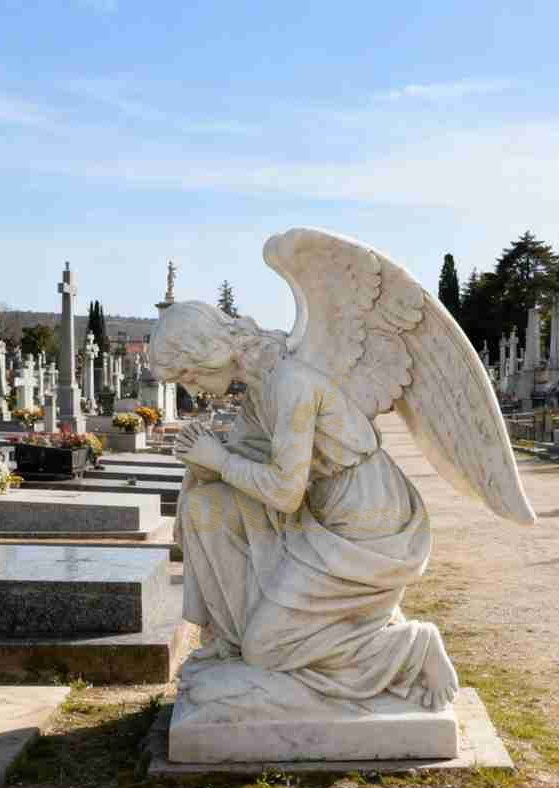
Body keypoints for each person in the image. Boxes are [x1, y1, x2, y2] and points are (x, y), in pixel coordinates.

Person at [151, 302, 460, 712]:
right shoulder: (260, 390)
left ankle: (409, 647)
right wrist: (204, 467)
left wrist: (219, 460)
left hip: (364, 523)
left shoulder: (291, 383)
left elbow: (283, 491)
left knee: (269, 648)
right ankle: (232, 641)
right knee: (204, 506)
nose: (191, 390)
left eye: (188, 374)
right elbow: (247, 459)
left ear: (211, 351)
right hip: (321, 511)